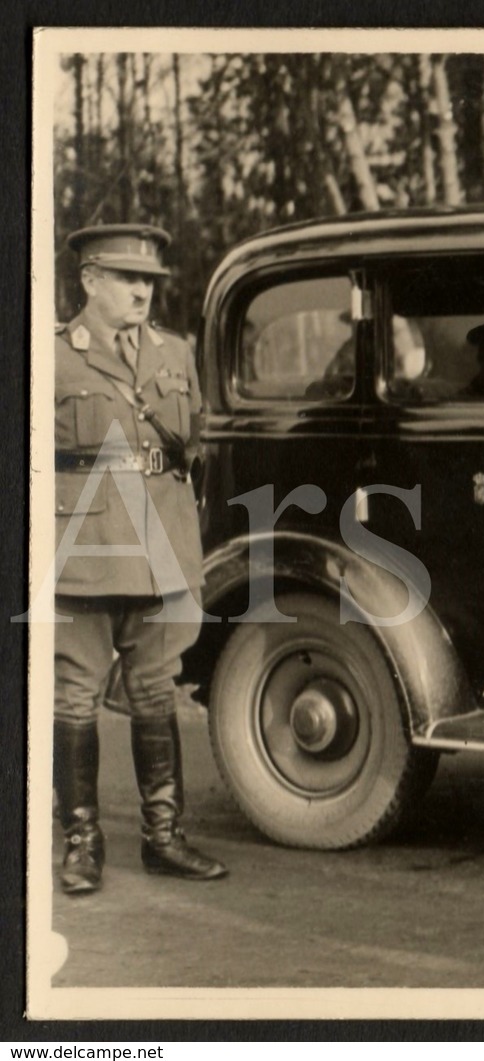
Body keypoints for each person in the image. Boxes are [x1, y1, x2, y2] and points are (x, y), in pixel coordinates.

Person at [51, 224, 228, 895]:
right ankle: (82, 841)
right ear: (89, 280)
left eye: (149, 280)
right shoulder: (54, 357)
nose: (141, 291)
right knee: (75, 695)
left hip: (160, 547)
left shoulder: (174, 353)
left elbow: (196, 444)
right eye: (127, 278)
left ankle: (164, 837)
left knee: (156, 690)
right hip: (86, 551)